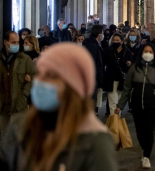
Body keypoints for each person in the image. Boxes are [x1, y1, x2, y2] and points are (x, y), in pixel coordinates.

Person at [0, 43, 118, 171]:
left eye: (51, 76)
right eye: (40, 73)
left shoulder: (96, 142)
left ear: (73, 87)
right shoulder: (20, 127)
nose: (40, 81)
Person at [115, 43, 155, 169]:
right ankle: (144, 148)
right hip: (136, 104)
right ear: (141, 53)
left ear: (154, 54)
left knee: (148, 130)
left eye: (150, 52)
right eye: (145, 51)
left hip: (151, 104)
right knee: (140, 131)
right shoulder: (135, 68)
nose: (148, 53)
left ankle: (146, 156)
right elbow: (127, 88)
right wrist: (120, 105)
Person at [0, 31, 36, 140]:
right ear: (6, 42)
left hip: (19, 105)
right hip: (2, 107)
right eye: (13, 42)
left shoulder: (24, 60)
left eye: (17, 42)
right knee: (4, 138)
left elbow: (33, 77)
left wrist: (24, 95)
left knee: (20, 138)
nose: (16, 45)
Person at [103, 33, 132, 116]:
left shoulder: (126, 51)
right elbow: (105, 62)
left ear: (122, 41)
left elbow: (131, 62)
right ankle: (114, 121)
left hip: (122, 79)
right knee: (113, 101)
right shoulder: (108, 50)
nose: (115, 42)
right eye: (114, 40)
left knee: (119, 101)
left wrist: (129, 63)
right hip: (111, 78)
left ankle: (117, 119)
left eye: (117, 40)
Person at [82, 24, 105, 115]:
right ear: (99, 34)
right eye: (102, 33)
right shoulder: (92, 45)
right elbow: (92, 63)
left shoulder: (93, 44)